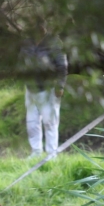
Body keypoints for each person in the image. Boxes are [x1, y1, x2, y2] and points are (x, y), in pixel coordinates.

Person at [20, 23, 68, 158]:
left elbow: (62, 66)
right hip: (30, 88)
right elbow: (20, 62)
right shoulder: (26, 42)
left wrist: (60, 85)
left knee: (50, 122)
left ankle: (51, 154)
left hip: (49, 88)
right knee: (31, 122)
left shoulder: (54, 43)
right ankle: (36, 151)